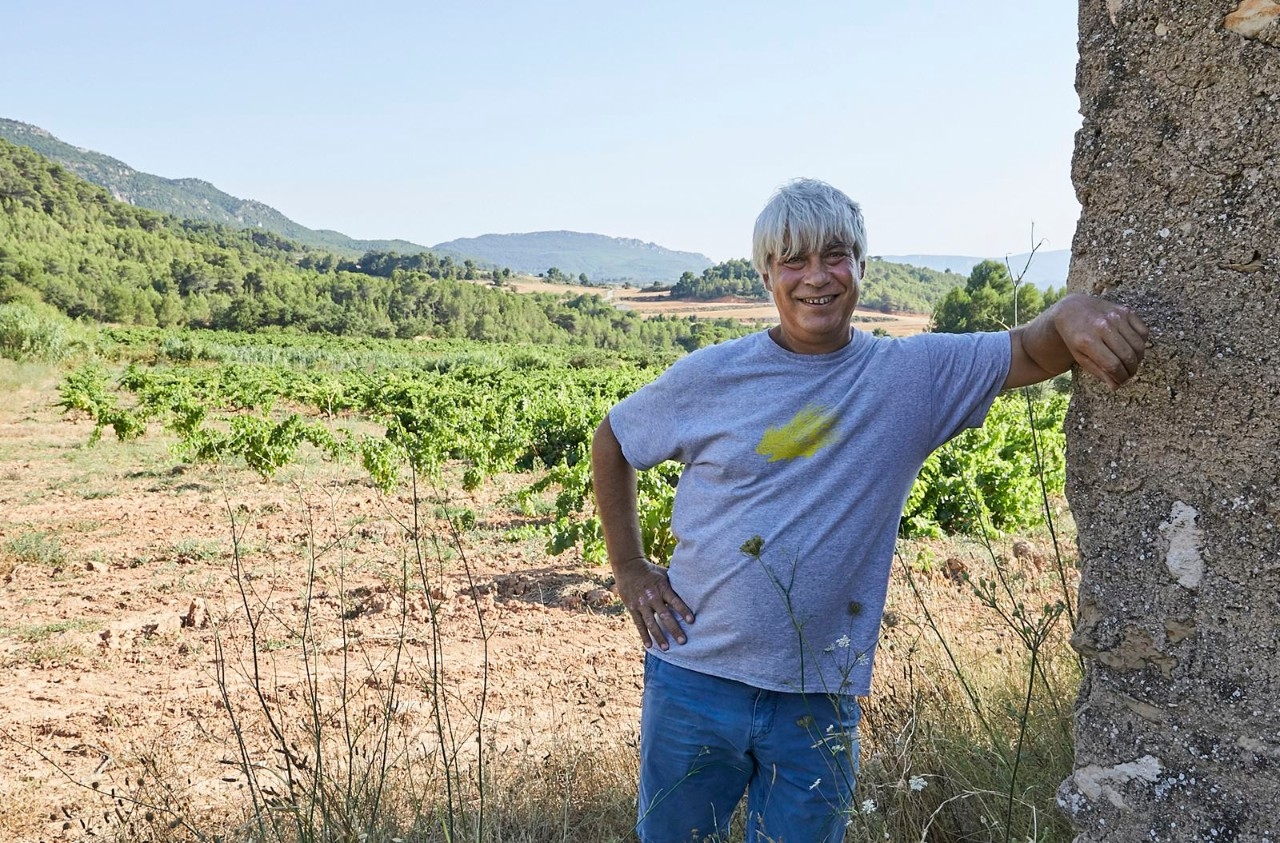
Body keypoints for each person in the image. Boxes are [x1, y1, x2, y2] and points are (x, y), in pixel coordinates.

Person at [591, 178, 1148, 843]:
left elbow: (1030, 349)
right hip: (693, 678)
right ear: (766, 273)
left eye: (834, 255)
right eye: (794, 260)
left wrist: (1076, 309)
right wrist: (628, 566)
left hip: (818, 700)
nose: (816, 277)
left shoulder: (910, 375)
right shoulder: (712, 375)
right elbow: (615, 438)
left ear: (861, 264)